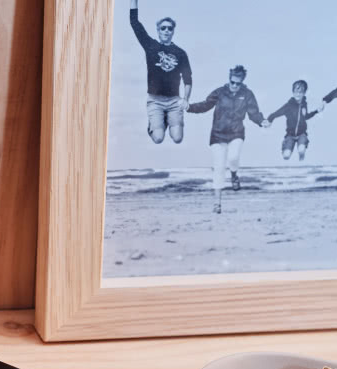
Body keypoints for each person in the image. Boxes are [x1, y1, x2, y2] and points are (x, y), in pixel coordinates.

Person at [188, 65, 268, 214]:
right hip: (217, 135)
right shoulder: (220, 92)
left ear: (242, 82)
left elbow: (254, 113)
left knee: (233, 157)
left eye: (238, 83)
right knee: (218, 167)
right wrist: (189, 107)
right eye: (233, 82)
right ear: (229, 79)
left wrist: (261, 121)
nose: (235, 86)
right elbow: (205, 105)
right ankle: (217, 203)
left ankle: (234, 174)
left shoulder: (247, 94)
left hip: (236, 133)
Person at [129, 0, 192, 144]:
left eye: (170, 28)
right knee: (158, 138)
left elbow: (188, 79)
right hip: (155, 100)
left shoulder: (181, 53)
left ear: (173, 31)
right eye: (163, 28)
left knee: (177, 138)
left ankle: (168, 119)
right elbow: (134, 23)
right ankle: (155, 124)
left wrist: (185, 100)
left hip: (174, 100)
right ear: (158, 30)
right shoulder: (150, 46)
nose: (166, 31)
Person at [264, 80, 321, 161]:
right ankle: (285, 147)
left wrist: (316, 111)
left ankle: (302, 154)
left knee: (301, 150)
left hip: (302, 134)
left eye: (300, 92)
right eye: (296, 92)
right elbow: (276, 113)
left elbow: (306, 117)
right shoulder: (289, 106)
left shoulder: (304, 104)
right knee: (286, 156)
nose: (298, 94)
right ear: (293, 92)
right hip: (290, 135)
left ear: (304, 93)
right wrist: (269, 119)